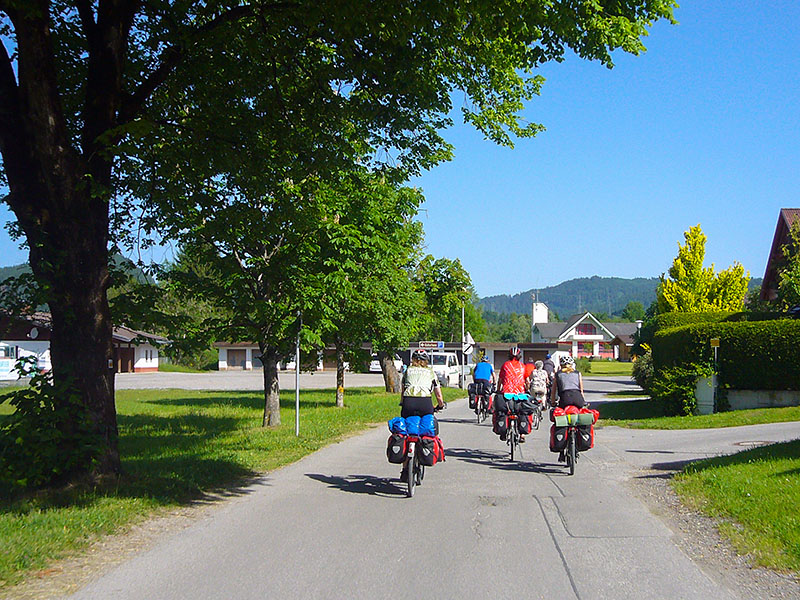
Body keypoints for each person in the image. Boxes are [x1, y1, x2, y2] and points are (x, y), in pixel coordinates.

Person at [400, 349, 444, 479]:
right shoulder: (431, 372)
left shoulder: (407, 370)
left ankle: (404, 469)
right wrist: (440, 404)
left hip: (408, 403)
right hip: (425, 403)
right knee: (425, 430)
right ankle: (424, 452)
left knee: (406, 434)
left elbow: (403, 390)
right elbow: (438, 393)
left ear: (413, 360)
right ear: (426, 361)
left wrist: (402, 404)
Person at [494, 345, 528, 441]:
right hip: (519, 394)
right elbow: (527, 381)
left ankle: (503, 432)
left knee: (502, 411)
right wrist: (527, 389)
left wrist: (498, 389)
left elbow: (500, 380)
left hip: (506, 393)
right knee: (522, 411)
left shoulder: (505, 365)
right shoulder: (522, 366)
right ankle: (522, 435)